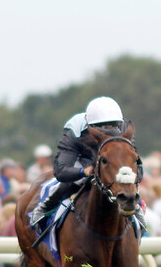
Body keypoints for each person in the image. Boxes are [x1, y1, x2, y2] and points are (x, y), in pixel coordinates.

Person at [30, 96, 145, 229]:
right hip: (83, 160)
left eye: (113, 125)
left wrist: (130, 176)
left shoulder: (125, 129)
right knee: (75, 182)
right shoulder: (75, 129)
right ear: (90, 125)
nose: (108, 131)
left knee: (125, 180)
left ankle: (136, 209)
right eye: (101, 127)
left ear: (119, 123)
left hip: (110, 163)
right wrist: (83, 171)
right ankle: (45, 207)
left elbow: (137, 167)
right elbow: (61, 171)